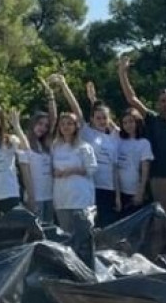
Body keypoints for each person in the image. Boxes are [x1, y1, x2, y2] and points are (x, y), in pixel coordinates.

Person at [118, 55, 166, 238]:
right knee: (163, 221)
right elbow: (132, 98)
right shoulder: (152, 119)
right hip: (158, 178)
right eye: (163, 101)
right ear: (158, 103)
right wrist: (122, 72)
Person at [58, 77, 122, 227]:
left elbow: (114, 169)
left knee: (109, 225)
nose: (101, 121)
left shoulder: (113, 138)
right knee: (91, 225)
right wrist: (64, 85)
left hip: (109, 189)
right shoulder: (87, 132)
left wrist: (117, 196)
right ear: (92, 119)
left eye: (104, 118)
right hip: (91, 187)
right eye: (98, 118)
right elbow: (76, 110)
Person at [49, 107, 98, 244]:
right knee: (66, 236)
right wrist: (55, 173)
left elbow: (92, 169)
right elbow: (50, 169)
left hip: (81, 198)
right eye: (63, 124)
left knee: (84, 236)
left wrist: (73, 170)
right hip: (62, 198)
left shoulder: (84, 147)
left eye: (69, 123)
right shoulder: (55, 146)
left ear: (76, 126)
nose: (66, 127)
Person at [115, 108, 154, 218]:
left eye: (131, 121)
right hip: (118, 191)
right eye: (125, 122)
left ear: (137, 122)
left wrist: (140, 192)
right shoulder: (118, 141)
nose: (128, 125)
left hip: (134, 191)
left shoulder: (143, 143)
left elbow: (145, 170)